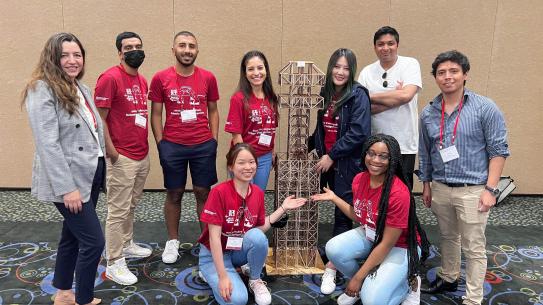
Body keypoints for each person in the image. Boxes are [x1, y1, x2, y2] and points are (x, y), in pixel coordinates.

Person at [419, 50, 509, 305]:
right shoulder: (428, 113)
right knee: (447, 236)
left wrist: (490, 190)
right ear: (435, 78)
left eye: (453, 71)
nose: (447, 77)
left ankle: (473, 298)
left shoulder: (484, 107)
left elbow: (499, 151)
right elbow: (425, 152)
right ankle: (449, 277)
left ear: (465, 74)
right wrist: (426, 185)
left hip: (473, 189)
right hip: (440, 187)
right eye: (441, 73)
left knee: (473, 246)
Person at [23, 33, 104, 305]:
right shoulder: (42, 88)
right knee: (94, 242)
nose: (72, 61)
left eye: (77, 55)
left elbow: (93, 131)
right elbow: (48, 144)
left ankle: (63, 292)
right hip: (69, 182)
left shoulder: (81, 88)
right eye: (65, 55)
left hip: (89, 173)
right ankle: (83, 298)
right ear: (53, 58)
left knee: (71, 237)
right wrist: (67, 188)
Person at [311, 134, 429, 305]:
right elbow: (359, 214)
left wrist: (358, 278)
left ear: (393, 159)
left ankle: (409, 284)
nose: (375, 160)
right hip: (373, 236)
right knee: (333, 249)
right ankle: (366, 286)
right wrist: (334, 198)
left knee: (372, 300)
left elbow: (387, 244)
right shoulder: (359, 179)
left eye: (383, 156)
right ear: (364, 154)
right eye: (371, 153)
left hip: (400, 246)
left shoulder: (398, 193)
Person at [198, 143, 307, 305]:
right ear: (231, 167)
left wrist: (283, 208)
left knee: (257, 237)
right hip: (214, 255)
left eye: (251, 162)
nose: (248, 167)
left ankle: (254, 280)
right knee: (238, 300)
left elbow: (258, 229)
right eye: (241, 162)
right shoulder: (218, 192)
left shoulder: (257, 192)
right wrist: (222, 277)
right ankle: (209, 273)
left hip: (237, 250)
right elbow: (214, 239)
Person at [149, 31, 220, 264]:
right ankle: (172, 241)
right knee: (174, 193)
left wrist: (213, 140)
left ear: (197, 50)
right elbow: (156, 113)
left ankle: (206, 241)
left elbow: (213, 110)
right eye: (182, 45)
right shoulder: (160, 78)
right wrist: (161, 144)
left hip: (202, 145)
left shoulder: (208, 77)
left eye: (191, 46)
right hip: (173, 145)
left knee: (203, 192)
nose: (187, 50)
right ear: (173, 50)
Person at [308, 48, 371, 294]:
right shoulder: (326, 94)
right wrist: (305, 146)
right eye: (337, 66)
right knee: (339, 208)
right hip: (331, 162)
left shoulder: (358, 95)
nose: (341, 72)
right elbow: (321, 130)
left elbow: (359, 132)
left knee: (346, 212)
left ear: (352, 71)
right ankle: (342, 254)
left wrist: (331, 155)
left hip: (348, 164)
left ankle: (333, 267)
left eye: (346, 68)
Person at [95, 31, 151, 285]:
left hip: (141, 154)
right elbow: (99, 119)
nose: (134, 50)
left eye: (138, 46)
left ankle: (126, 244)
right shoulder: (109, 78)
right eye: (128, 47)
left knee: (131, 205)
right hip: (121, 156)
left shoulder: (141, 81)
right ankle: (114, 261)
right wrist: (112, 152)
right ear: (120, 52)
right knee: (117, 211)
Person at [358, 26, 422, 191]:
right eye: (381, 44)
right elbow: (362, 108)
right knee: (376, 189)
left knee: (402, 190)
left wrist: (370, 96)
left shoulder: (410, 64)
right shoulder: (366, 72)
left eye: (390, 43)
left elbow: (407, 95)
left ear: (397, 45)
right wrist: (395, 96)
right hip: (375, 145)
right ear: (375, 47)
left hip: (404, 142)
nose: (385, 48)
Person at [225, 50, 278, 191]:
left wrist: (272, 152)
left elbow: (272, 128)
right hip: (244, 158)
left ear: (266, 69)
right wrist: (247, 161)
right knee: (243, 198)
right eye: (251, 69)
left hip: (265, 157)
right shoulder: (238, 99)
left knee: (257, 196)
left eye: (260, 68)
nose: (256, 73)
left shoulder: (271, 98)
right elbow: (236, 136)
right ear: (245, 73)